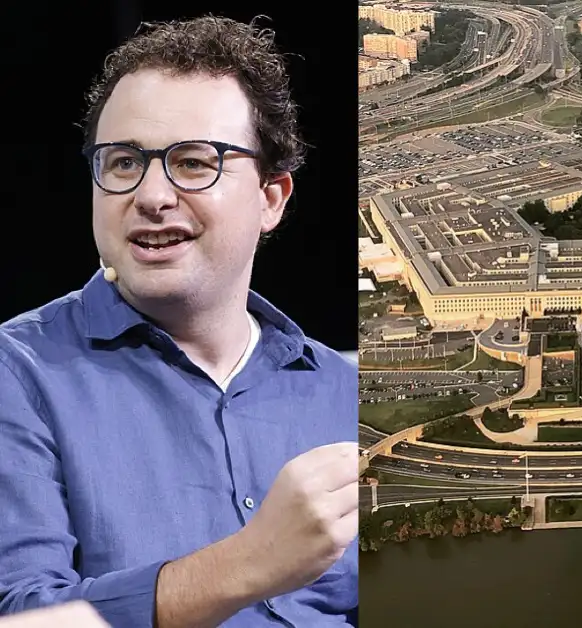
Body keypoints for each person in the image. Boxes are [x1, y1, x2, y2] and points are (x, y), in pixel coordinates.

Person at [0, 17, 358, 627]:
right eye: (121, 163)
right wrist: (248, 563)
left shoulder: (341, 389)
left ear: (272, 197)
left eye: (194, 162)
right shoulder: (19, 373)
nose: (151, 194)